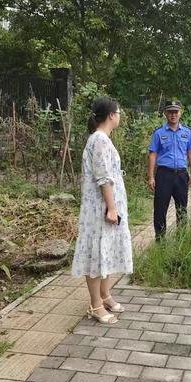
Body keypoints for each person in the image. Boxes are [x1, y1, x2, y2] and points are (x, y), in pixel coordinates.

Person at [71, 97, 133, 325]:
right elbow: (103, 178)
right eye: (118, 112)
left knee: (105, 250)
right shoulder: (99, 140)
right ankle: (95, 305)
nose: (120, 116)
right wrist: (112, 208)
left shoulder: (103, 139)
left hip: (106, 205)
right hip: (100, 208)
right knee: (96, 254)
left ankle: (106, 296)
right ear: (111, 115)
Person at [148, 100, 191, 239]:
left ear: (180, 113)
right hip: (164, 175)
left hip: (181, 175)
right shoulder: (159, 133)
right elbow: (153, 154)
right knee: (160, 210)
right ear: (165, 114)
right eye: (170, 112)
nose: (173, 114)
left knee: (182, 209)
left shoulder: (187, 132)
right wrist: (151, 176)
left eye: (176, 111)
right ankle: (160, 242)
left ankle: (181, 242)